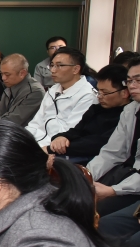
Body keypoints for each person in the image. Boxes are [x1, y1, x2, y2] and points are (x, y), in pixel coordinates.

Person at [45, 64, 130, 166]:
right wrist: (61, 137)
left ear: (124, 93)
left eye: (105, 93)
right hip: (74, 152)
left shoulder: (128, 116)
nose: (99, 96)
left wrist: (53, 149)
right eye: (98, 91)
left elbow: (100, 144)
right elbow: (76, 131)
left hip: (98, 160)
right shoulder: (96, 109)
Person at [85, 60, 140, 216]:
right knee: (74, 199)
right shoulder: (131, 110)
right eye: (129, 81)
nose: (132, 85)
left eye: (138, 80)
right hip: (126, 173)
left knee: (96, 212)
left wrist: (114, 190)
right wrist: (87, 176)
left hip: (135, 186)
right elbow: (112, 152)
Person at [24, 47, 97, 146]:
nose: (53, 70)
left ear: (76, 69)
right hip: (35, 142)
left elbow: (69, 133)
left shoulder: (87, 96)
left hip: (54, 147)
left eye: (59, 65)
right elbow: (36, 122)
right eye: (52, 65)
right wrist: (23, 139)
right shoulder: (53, 90)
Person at [0, 54, 43, 127]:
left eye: (7, 74)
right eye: (2, 74)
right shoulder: (11, 85)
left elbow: (12, 120)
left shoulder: (34, 92)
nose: (3, 78)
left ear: (22, 73)